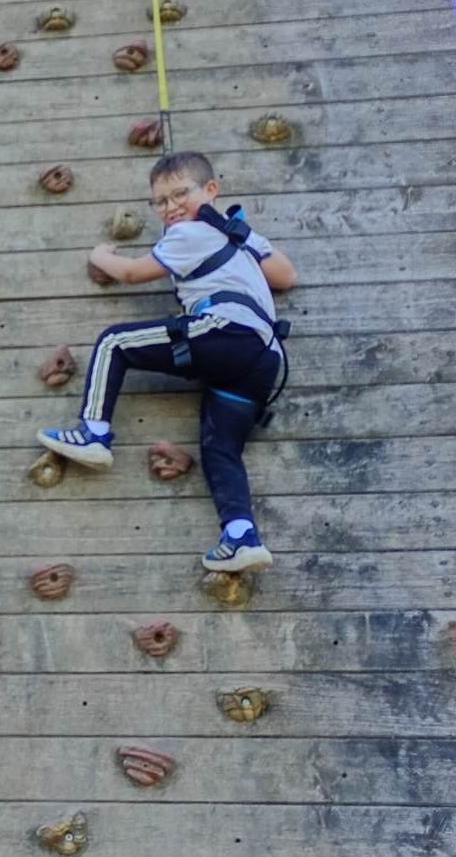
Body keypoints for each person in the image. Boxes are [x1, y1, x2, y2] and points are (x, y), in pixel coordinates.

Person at [37, 149, 296, 572]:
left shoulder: (189, 234)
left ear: (211, 190)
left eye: (181, 194)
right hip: (264, 359)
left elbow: (132, 273)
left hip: (225, 333)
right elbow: (285, 275)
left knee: (115, 342)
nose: (171, 206)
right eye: (160, 201)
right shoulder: (237, 238)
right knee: (220, 448)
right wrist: (240, 231)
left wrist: (100, 255)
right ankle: (241, 536)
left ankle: (93, 433)